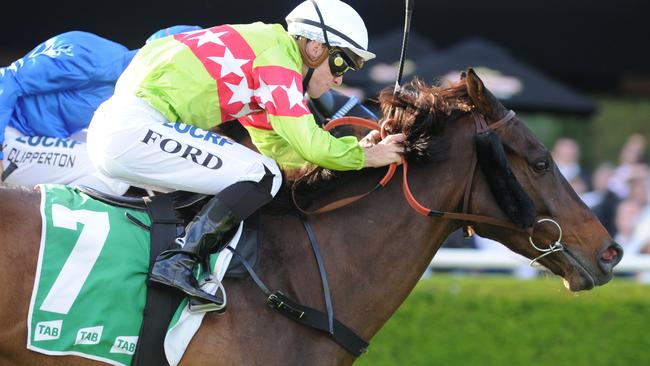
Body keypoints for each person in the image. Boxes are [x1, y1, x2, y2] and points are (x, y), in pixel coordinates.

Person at [86, 0, 405, 311]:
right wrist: (368, 156)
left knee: (258, 172)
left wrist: (355, 154)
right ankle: (178, 263)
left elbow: (283, 152)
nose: (339, 79)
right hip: (135, 130)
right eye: (340, 63)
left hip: (120, 130)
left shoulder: (259, 59)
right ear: (314, 47)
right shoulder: (278, 60)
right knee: (261, 174)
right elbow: (310, 147)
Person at [0, 25, 201, 194]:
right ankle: (58, 220)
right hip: (9, 133)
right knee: (113, 166)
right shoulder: (95, 57)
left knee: (125, 154)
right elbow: (6, 78)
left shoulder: (140, 90)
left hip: (37, 138)